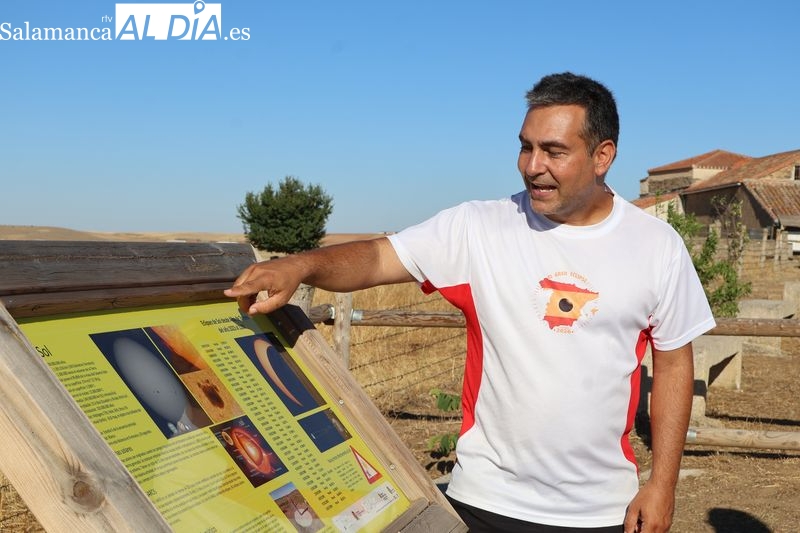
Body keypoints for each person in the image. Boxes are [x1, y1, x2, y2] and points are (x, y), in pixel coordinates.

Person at [225, 72, 716, 533]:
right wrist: (301, 265)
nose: (533, 166)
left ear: (602, 155)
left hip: (601, 511)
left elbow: (674, 363)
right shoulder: (478, 228)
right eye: (525, 147)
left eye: (554, 151)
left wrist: (663, 483)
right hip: (484, 502)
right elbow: (378, 258)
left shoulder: (656, 246)